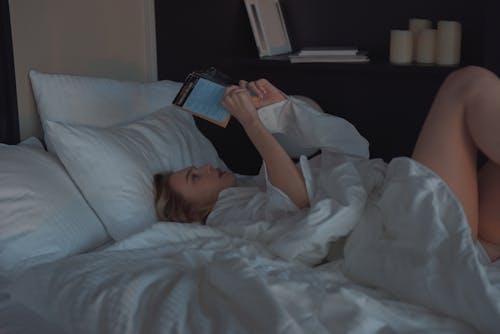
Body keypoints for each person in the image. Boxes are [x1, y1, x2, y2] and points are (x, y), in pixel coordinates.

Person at [154, 66, 500, 263]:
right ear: (191, 213)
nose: (205, 168)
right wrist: (251, 124)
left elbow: (345, 151)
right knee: (467, 86)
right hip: (411, 231)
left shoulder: (247, 186)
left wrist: (284, 111)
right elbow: (299, 201)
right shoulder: (225, 221)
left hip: (423, 218)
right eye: (194, 177)